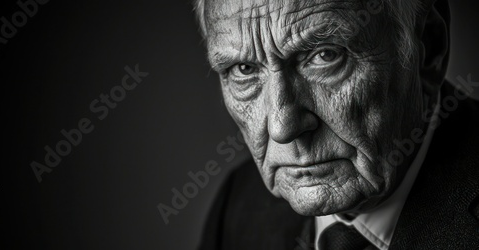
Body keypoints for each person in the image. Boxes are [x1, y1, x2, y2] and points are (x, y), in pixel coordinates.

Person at [194, 0, 479, 249]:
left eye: (325, 55)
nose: (282, 128)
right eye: (244, 69)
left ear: (429, 46)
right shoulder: (238, 205)